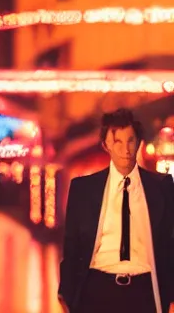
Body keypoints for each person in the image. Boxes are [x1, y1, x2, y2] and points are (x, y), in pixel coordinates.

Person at [58, 108, 174, 313]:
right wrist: (65, 294)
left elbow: (170, 243)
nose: (125, 149)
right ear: (106, 145)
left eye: (130, 141)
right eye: (117, 141)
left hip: (144, 292)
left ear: (138, 142)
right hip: (97, 290)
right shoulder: (84, 189)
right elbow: (72, 247)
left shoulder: (161, 187)